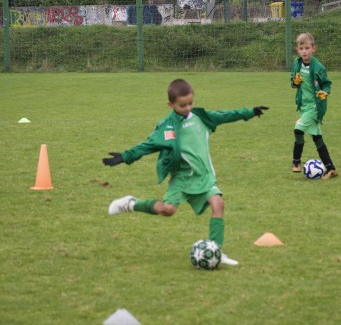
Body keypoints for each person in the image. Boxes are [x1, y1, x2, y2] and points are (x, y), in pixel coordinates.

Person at [103, 79, 268, 266]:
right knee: (167, 210)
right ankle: (131, 203)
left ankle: (216, 250)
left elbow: (225, 115)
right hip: (181, 178)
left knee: (218, 204)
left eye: (190, 103)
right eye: (182, 105)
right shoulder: (167, 126)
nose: (188, 108)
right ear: (170, 104)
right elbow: (148, 145)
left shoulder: (201, 117)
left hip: (203, 176)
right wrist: (125, 156)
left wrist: (249, 112)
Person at [290, 33, 338, 179]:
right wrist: (295, 82)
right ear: (298, 50)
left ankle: (296, 162)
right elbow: (293, 83)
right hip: (304, 106)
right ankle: (331, 169)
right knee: (317, 138)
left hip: (315, 107)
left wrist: (325, 92)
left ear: (313, 49)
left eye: (307, 48)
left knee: (298, 129)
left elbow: (327, 83)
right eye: (301, 48)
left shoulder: (318, 67)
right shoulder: (297, 63)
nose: (304, 51)